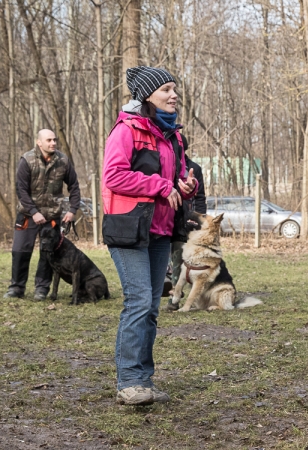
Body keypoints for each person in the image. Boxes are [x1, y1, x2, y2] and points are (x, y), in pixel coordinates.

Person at [102, 66, 197, 406]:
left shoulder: (173, 135)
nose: (174, 95)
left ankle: (144, 379)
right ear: (147, 96)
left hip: (160, 230)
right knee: (139, 301)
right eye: (166, 89)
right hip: (128, 229)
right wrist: (161, 186)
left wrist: (187, 185)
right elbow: (114, 175)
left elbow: (180, 175)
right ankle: (128, 381)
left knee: (152, 308)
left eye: (174, 88)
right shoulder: (127, 130)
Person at [4, 129, 81, 300]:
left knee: (48, 252)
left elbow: (74, 186)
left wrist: (72, 210)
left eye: (54, 140)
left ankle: (42, 288)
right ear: (39, 142)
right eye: (49, 140)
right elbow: (21, 190)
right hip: (27, 214)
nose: (53, 143)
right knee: (20, 250)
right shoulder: (27, 160)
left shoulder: (63, 161)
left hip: (52, 216)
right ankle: (16, 288)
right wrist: (33, 212)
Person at [165, 154, 206, 311]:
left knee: (178, 259)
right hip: (164, 219)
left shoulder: (193, 168)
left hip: (184, 220)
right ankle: (168, 289)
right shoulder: (164, 164)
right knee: (166, 259)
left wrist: (197, 219)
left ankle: (174, 298)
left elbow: (200, 198)